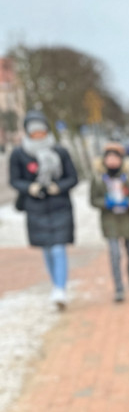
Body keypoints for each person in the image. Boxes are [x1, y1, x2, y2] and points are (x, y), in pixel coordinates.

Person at [8, 110, 79, 310]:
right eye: (34, 132)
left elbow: (72, 177)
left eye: (41, 131)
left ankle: (60, 289)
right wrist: (29, 187)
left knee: (58, 248)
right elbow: (14, 180)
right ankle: (56, 285)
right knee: (47, 250)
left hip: (60, 206)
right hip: (35, 208)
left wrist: (59, 186)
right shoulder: (19, 154)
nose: (38, 135)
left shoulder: (60, 151)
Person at [90, 142, 129, 302]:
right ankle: (119, 288)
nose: (112, 161)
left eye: (116, 158)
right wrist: (105, 203)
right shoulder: (99, 179)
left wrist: (128, 202)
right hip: (110, 222)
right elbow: (93, 200)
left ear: (121, 159)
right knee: (114, 255)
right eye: (109, 158)